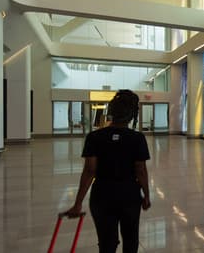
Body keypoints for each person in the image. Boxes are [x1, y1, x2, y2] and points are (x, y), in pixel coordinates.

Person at [64, 90, 151, 253]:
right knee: (131, 240)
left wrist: (78, 203)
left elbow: (89, 171)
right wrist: (146, 195)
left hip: (102, 196)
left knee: (106, 243)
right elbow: (141, 170)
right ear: (132, 115)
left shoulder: (94, 137)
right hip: (129, 196)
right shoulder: (137, 138)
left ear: (111, 113)